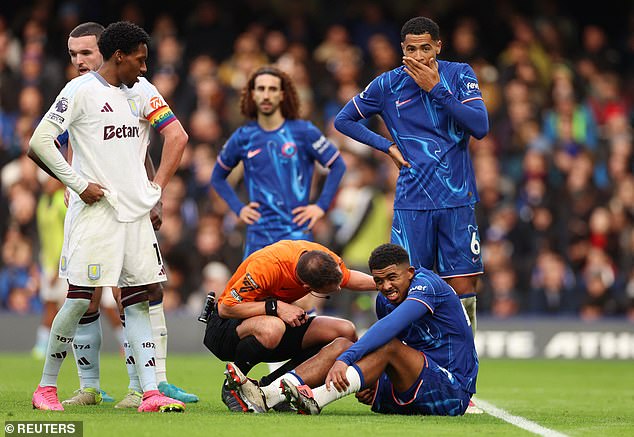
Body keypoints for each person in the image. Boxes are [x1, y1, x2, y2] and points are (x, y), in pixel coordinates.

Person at [29, 22, 197, 407]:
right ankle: (47, 387)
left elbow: (178, 137)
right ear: (119, 56)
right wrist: (77, 184)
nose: (145, 67)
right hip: (95, 215)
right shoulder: (80, 91)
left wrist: (155, 190)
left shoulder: (142, 91)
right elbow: (39, 142)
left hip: (134, 216)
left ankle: (150, 391)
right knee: (77, 300)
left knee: (137, 300)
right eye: (140, 60)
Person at [334, 16, 489, 338]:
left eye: (425, 49)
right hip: (412, 202)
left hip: (456, 201)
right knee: (403, 284)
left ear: (438, 47)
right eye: (411, 49)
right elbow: (344, 120)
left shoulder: (458, 75)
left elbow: (480, 126)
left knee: (462, 286)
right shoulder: (388, 84)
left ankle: (462, 367)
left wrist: (436, 90)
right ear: (402, 50)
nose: (419, 56)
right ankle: (408, 365)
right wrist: (386, 145)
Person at [234, 243, 478, 416]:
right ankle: (266, 396)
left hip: (452, 391)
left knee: (379, 347)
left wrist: (347, 361)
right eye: (379, 281)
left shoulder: (428, 286)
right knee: (342, 343)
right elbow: (401, 350)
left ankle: (316, 399)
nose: (386, 286)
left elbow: (390, 331)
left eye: (392, 277)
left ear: (410, 273)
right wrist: (375, 381)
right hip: (413, 383)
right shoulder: (385, 300)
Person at [202, 239, 375, 412]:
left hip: (274, 324)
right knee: (273, 327)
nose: (338, 288)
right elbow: (226, 308)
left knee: (345, 331)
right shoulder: (268, 266)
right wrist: (276, 307)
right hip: (225, 328)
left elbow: (349, 277)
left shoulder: (322, 258)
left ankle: (275, 389)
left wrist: (385, 284)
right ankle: (232, 384)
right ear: (307, 286)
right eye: (332, 287)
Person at [210, 65, 346, 258]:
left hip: (297, 234)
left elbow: (338, 165)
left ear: (282, 95)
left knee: (299, 288)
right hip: (259, 236)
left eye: (272, 89)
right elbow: (217, 177)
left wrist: (320, 206)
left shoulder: (303, 131)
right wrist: (239, 208)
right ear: (252, 94)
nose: (266, 95)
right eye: (261, 89)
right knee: (257, 288)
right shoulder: (243, 137)